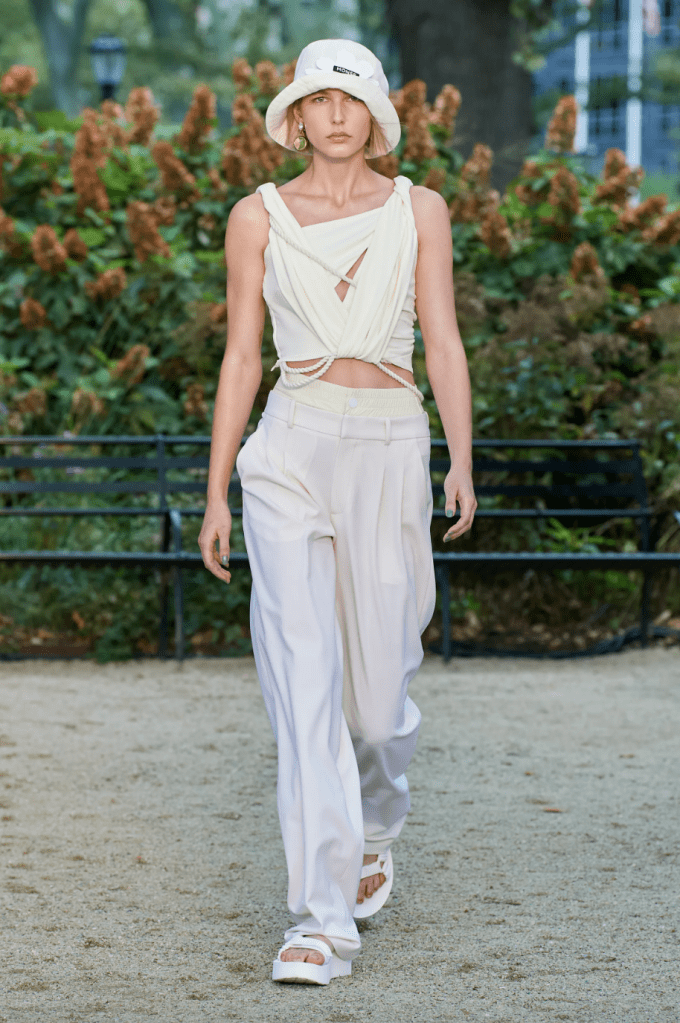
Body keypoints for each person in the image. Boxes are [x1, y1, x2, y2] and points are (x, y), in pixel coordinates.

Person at [198, 38, 476, 985]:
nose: (336, 115)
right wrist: (217, 488)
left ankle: (377, 827)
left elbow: (444, 339)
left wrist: (461, 458)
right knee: (305, 682)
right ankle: (320, 921)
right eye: (319, 99)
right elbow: (242, 356)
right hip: (290, 448)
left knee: (377, 707)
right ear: (296, 117)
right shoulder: (256, 216)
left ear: (376, 116)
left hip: (391, 444)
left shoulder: (419, 210)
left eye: (351, 100)